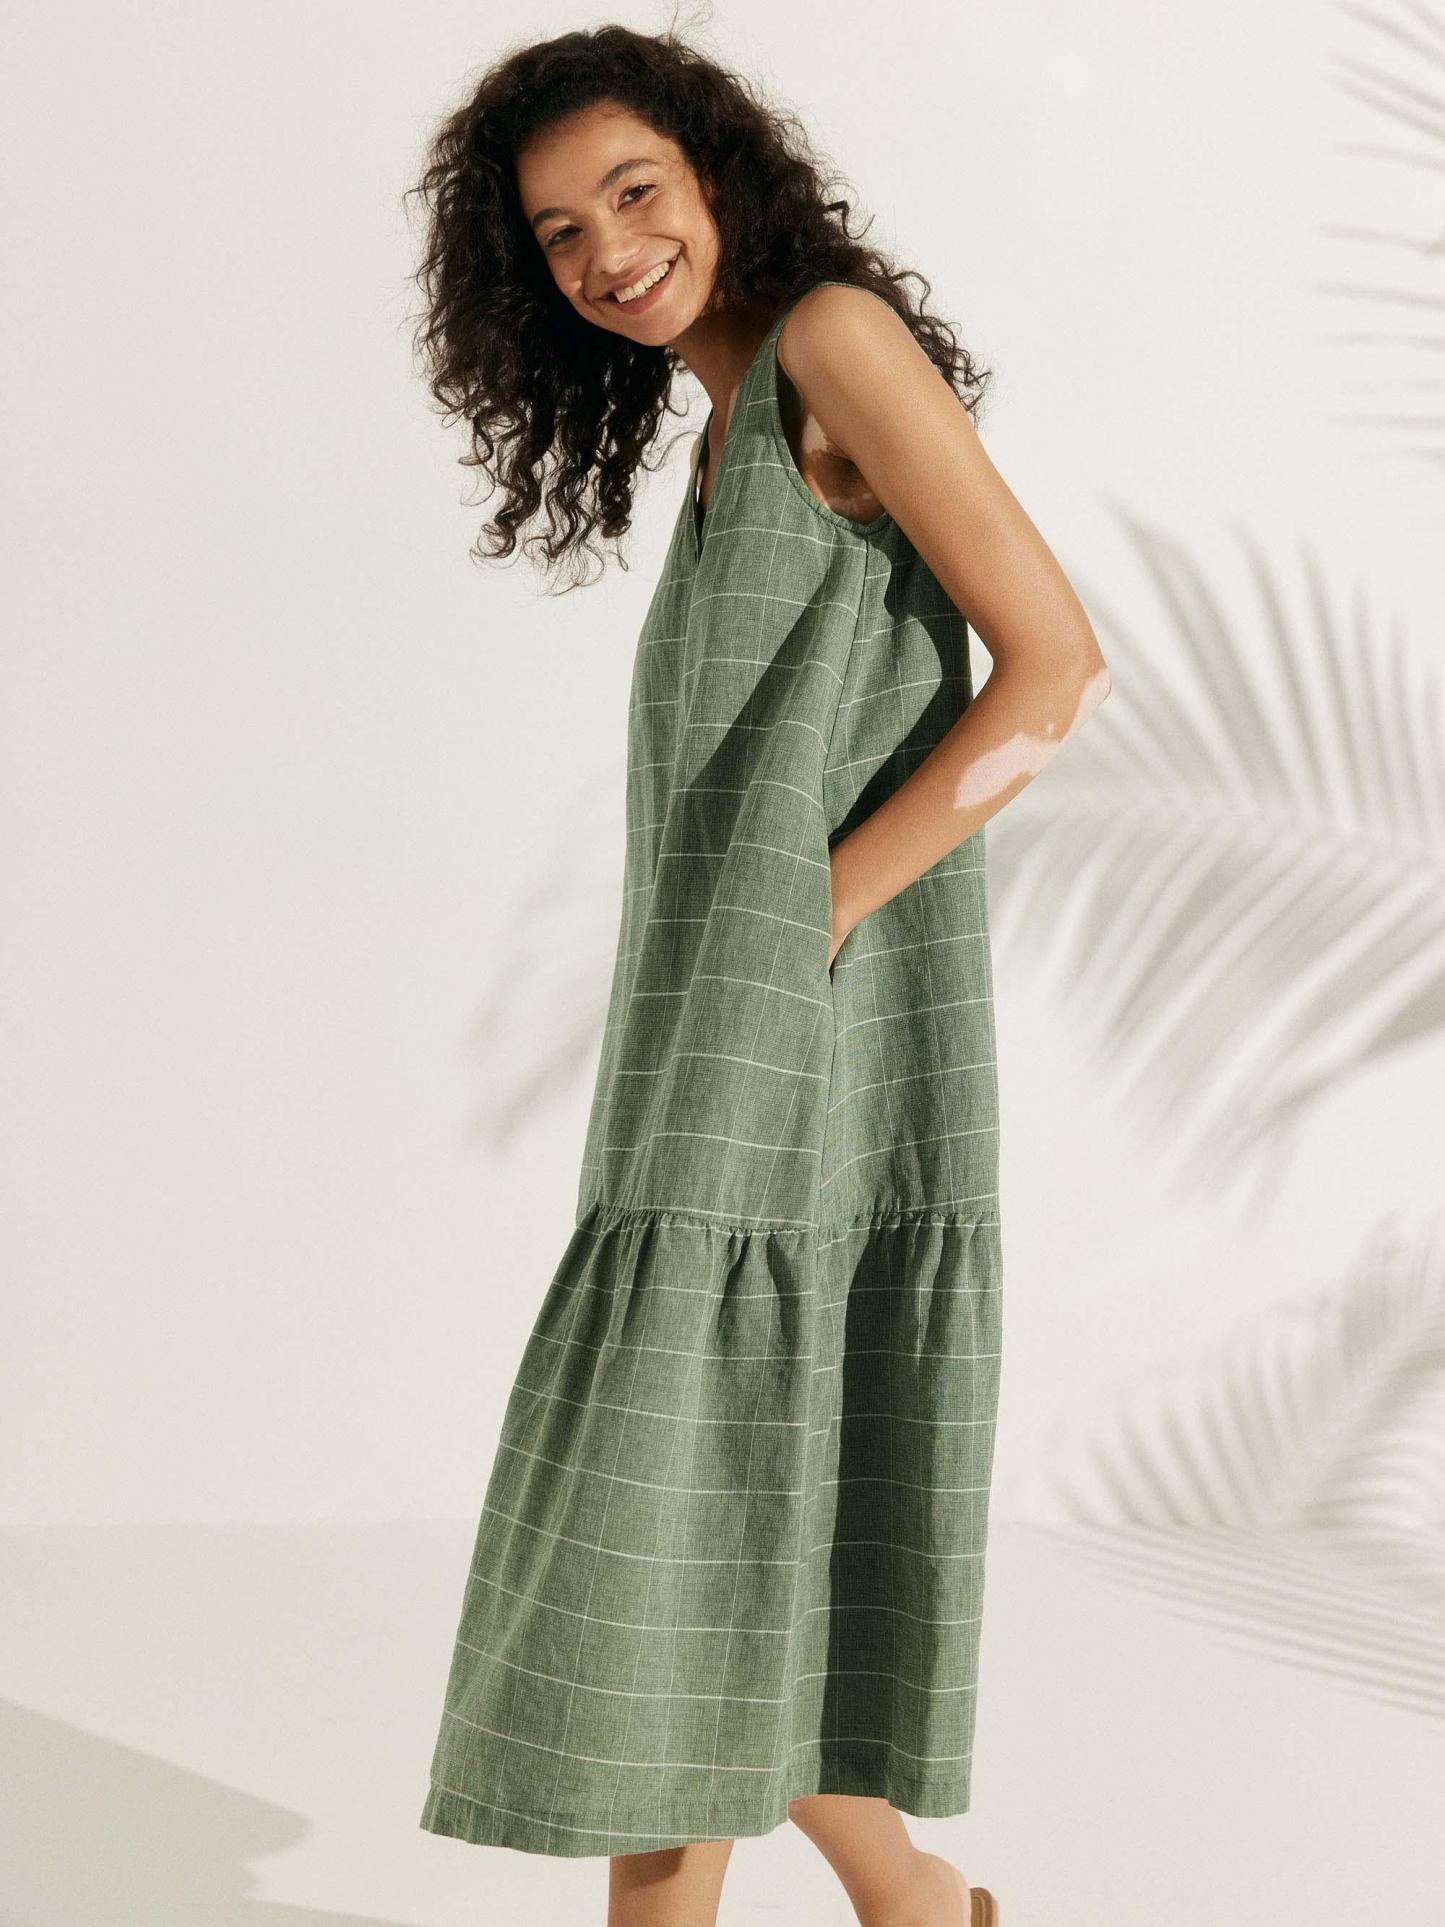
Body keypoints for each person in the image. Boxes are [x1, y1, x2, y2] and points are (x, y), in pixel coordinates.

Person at [407, 24, 1110, 1927]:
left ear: (719, 173)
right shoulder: (726, 431)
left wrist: (815, 915)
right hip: (711, 1046)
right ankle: (917, 1905)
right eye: (558, 233)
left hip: (804, 1031)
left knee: (678, 1520)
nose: (606, 251)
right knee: (725, 1512)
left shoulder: (833, 344)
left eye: (633, 193)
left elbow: (1055, 668)